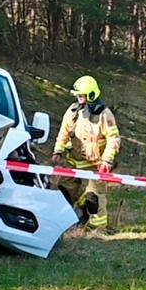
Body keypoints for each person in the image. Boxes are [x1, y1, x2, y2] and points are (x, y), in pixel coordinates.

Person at [52, 75, 120, 233]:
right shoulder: (73, 111)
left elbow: (113, 138)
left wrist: (107, 160)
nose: (78, 98)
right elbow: (64, 132)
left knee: (94, 198)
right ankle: (65, 222)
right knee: (64, 192)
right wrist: (58, 150)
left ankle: (97, 228)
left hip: (96, 164)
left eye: (81, 95)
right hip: (74, 160)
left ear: (91, 94)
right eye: (78, 95)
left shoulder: (104, 114)